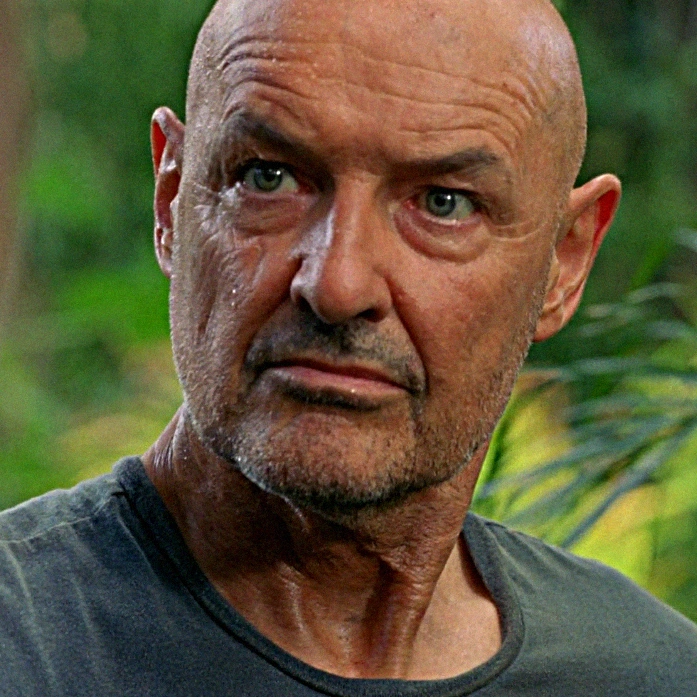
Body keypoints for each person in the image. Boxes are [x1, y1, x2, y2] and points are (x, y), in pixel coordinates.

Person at [1, 0, 696, 693]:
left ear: (564, 261)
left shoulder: (649, 675)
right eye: (267, 177)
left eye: (444, 203)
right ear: (171, 202)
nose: (337, 284)